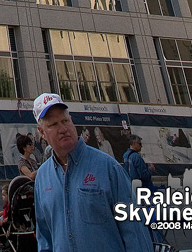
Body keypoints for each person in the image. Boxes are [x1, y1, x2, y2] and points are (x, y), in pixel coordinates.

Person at [31, 91, 153, 252]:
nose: (62, 129)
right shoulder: (42, 178)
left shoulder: (109, 168)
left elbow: (135, 233)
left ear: (72, 121)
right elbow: (45, 239)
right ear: (42, 132)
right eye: (53, 125)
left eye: (65, 121)